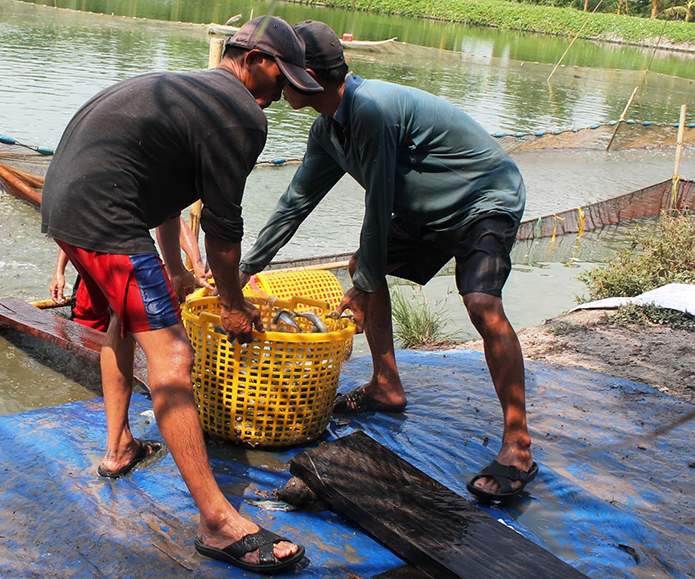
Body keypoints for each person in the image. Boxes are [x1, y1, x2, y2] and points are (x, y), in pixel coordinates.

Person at [41, 16, 321, 573]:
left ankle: (119, 449)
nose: (283, 96)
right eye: (283, 79)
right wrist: (234, 304)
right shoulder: (239, 114)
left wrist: (174, 268)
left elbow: (164, 194)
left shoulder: (186, 89)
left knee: (128, 323)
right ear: (258, 60)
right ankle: (217, 523)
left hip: (66, 206)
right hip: (107, 216)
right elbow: (222, 230)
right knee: (173, 356)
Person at [239, 20, 537, 503]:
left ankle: (518, 445)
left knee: (482, 304)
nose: (275, 80)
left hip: (484, 197)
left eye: (283, 69)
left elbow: (378, 204)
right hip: (426, 208)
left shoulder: (371, 109)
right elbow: (296, 201)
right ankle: (386, 385)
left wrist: (362, 282)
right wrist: (245, 269)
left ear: (307, 75)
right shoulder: (328, 130)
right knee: (366, 263)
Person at [49, 216, 211, 331]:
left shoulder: (151, 184)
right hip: (96, 267)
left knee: (133, 328)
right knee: (87, 328)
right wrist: (59, 272)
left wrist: (197, 264)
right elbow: (74, 230)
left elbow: (174, 220)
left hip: (131, 264)